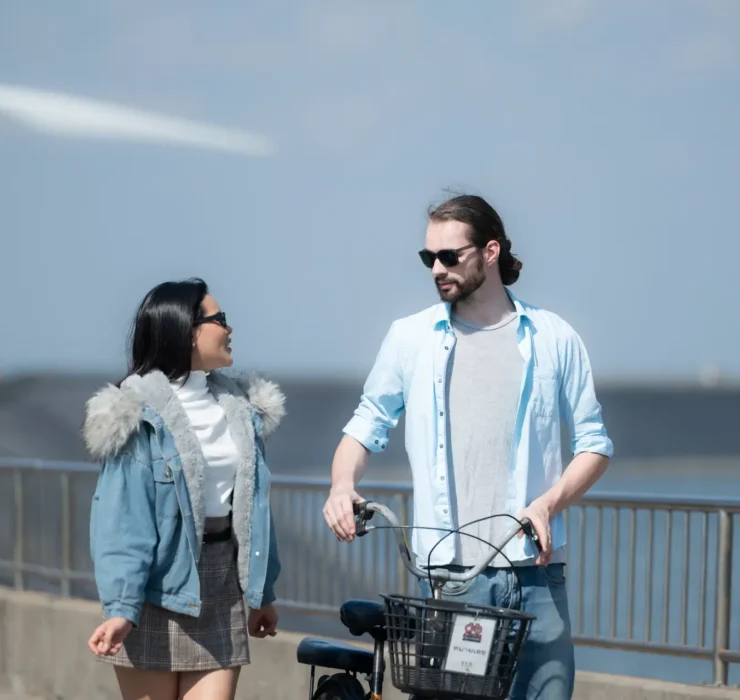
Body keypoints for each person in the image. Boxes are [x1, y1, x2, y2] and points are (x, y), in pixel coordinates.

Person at [322, 194, 614, 700]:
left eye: (449, 256)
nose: (436, 268)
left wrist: (548, 503)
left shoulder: (553, 337)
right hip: (452, 585)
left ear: (490, 251)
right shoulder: (410, 338)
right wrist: (341, 485)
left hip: (538, 579)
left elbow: (595, 445)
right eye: (427, 258)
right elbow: (366, 424)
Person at [83, 278, 285, 700]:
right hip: (154, 592)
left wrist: (261, 593)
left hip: (221, 586)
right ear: (187, 330)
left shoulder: (240, 410)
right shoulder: (137, 414)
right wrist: (122, 610)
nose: (230, 330)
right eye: (220, 320)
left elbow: (254, 510)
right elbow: (122, 523)